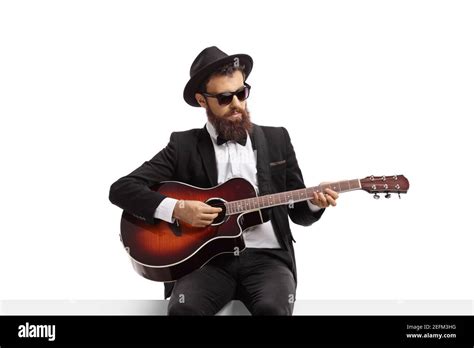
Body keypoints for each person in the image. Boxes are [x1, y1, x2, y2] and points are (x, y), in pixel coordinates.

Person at [109, 46, 339, 315]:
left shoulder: (278, 139)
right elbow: (122, 189)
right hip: (205, 264)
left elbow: (298, 212)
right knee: (185, 311)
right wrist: (177, 209)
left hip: (268, 260)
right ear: (202, 100)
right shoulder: (182, 145)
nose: (237, 105)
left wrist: (314, 203)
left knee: (273, 310)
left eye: (242, 93)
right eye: (225, 98)